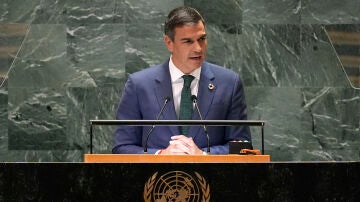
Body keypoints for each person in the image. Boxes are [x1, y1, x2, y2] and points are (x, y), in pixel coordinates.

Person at [112, 6, 251, 155]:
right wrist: (160, 155)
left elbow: (242, 148)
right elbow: (122, 147)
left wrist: (203, 155)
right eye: (188, 41)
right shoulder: (139, 85)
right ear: (169, 43)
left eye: (202, 39)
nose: (198, 48)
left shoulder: (229, 83)